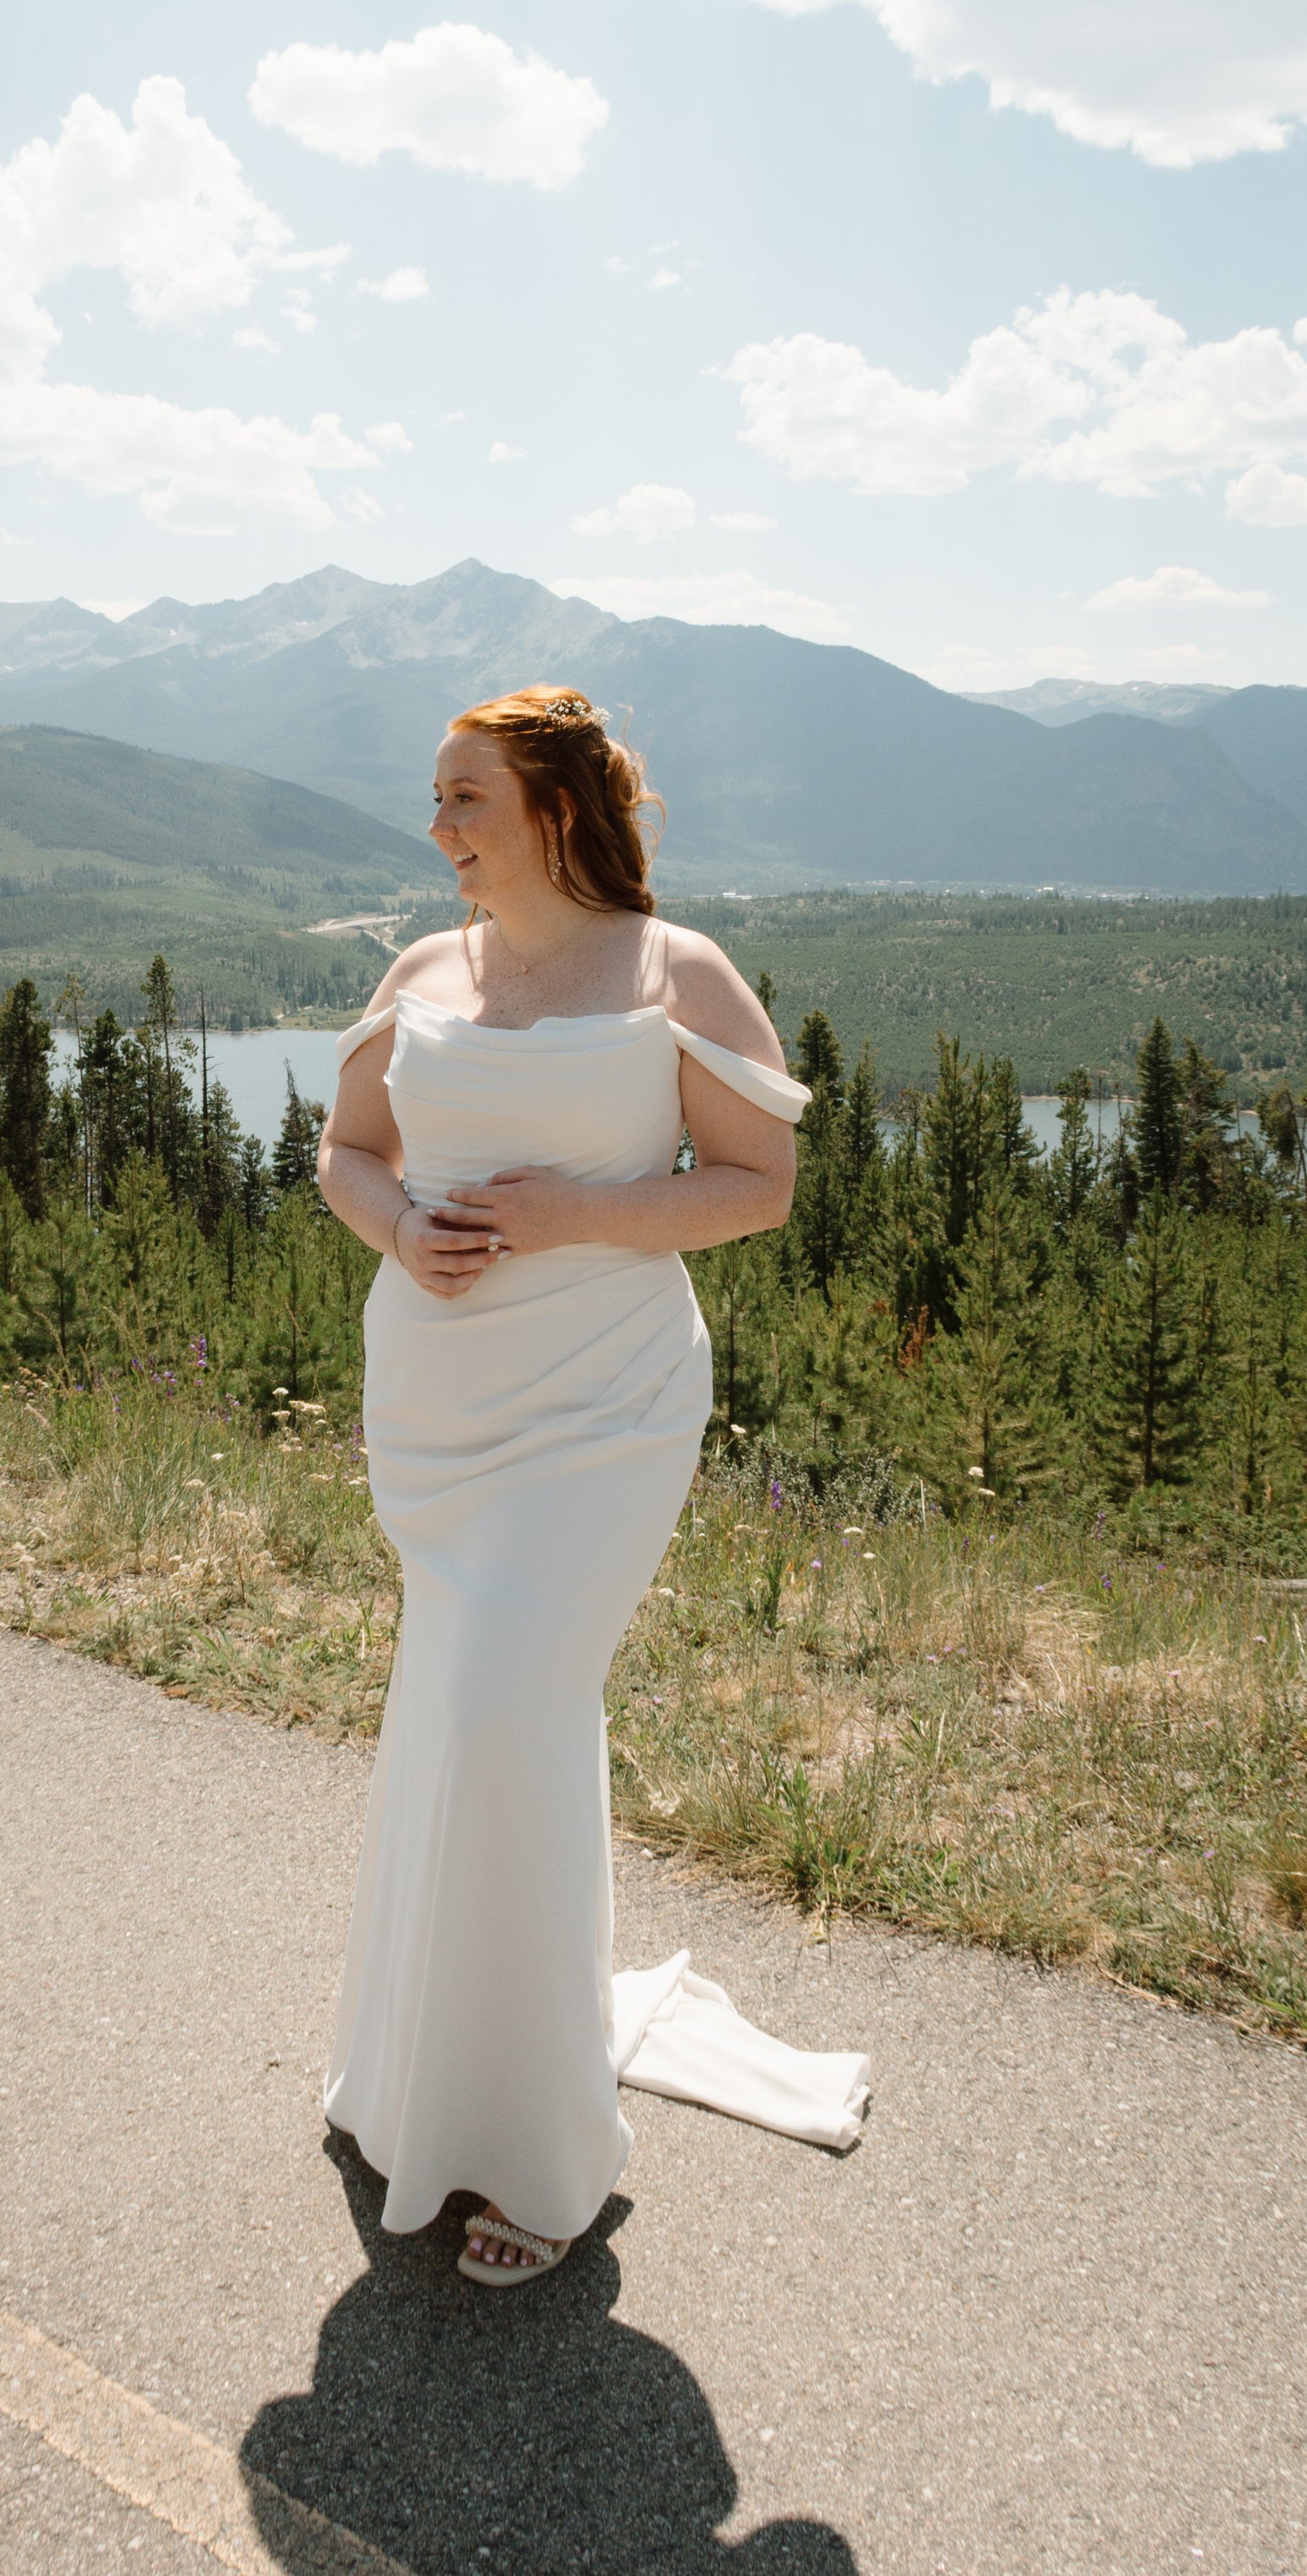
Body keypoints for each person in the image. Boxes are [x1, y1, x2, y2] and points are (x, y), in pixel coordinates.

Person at [316, 685, 818, 2287]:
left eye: (466, 796)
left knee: (502, 1714)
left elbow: (760, 1185)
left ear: (552, 808)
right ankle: (419, 2082)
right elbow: (348, 1149)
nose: (441, 826)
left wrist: (572, 1218)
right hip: (442, 1407)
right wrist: (401, 1230)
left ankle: (544, 2152)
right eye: (437, 796)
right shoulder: (420, 974)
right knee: (448, 1713)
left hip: (604, 1408)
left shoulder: (676, 975)